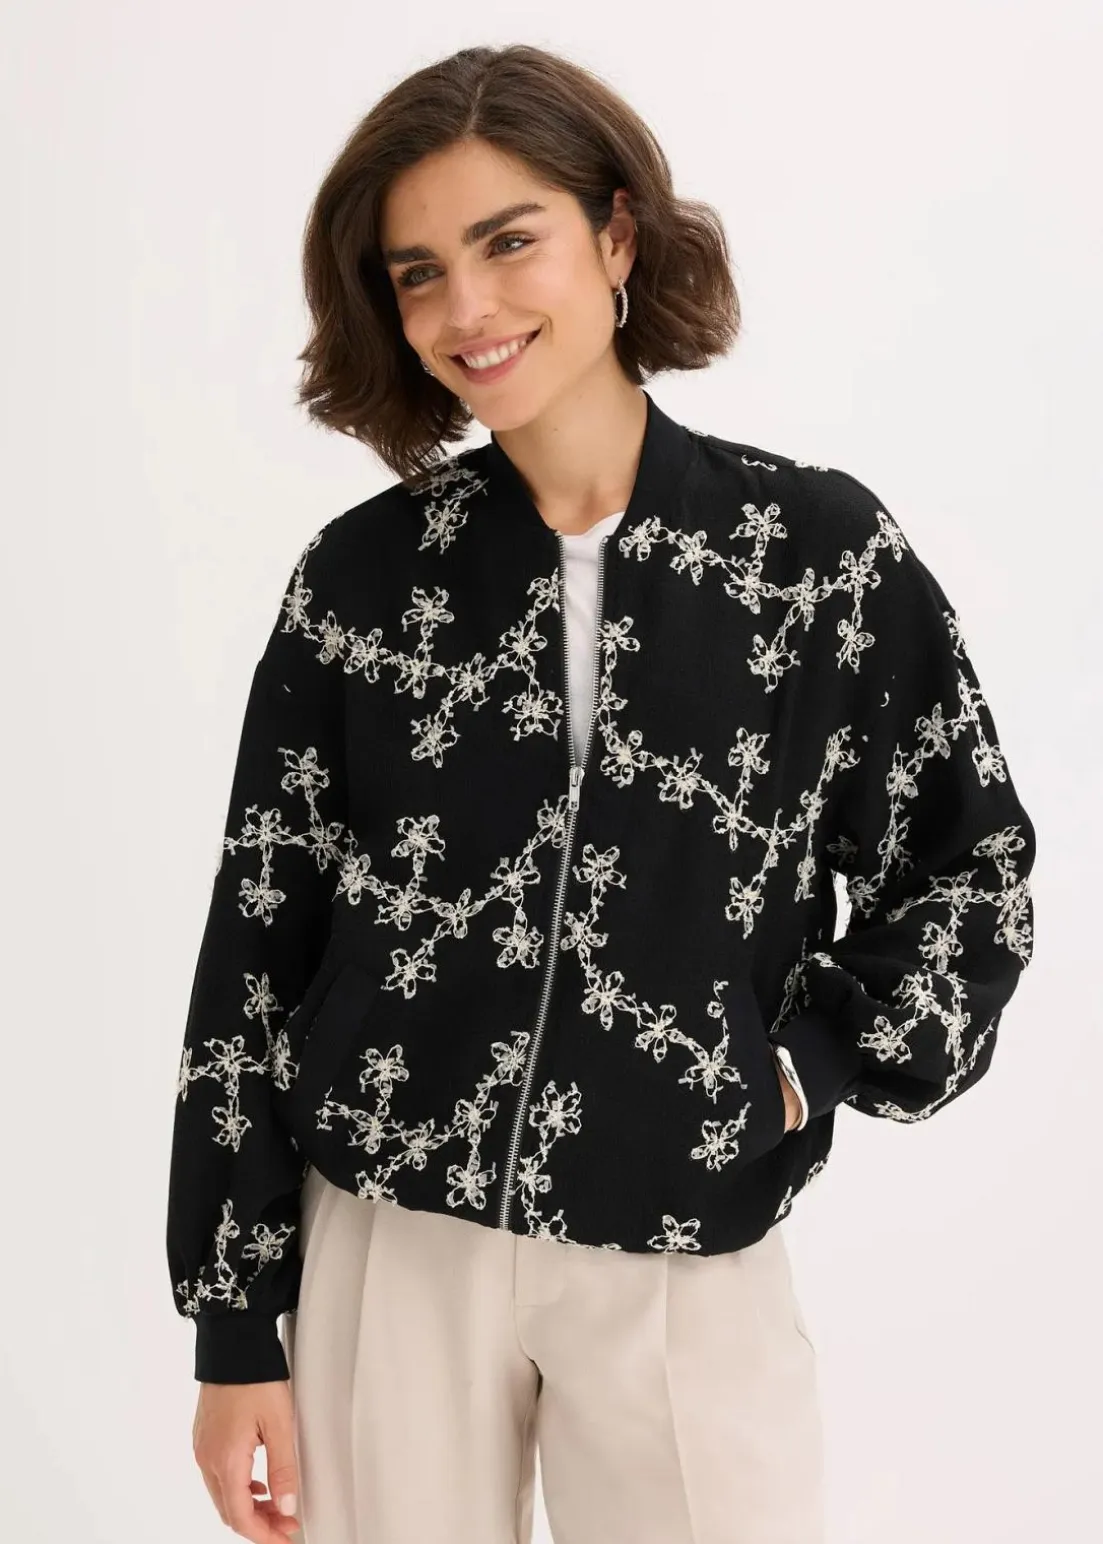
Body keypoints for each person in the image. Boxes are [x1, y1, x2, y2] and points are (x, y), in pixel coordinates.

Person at [167, 42, 1037, 1544]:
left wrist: (804, 1063)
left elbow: (971, 873)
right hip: (392, 1230)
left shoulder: (809, 557)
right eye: (419, 272)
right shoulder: (365, 581)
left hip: (685, 1234)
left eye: (509, 242)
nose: (468, 309)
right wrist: (234, 1323)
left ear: (617, 236)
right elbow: (260, 939)